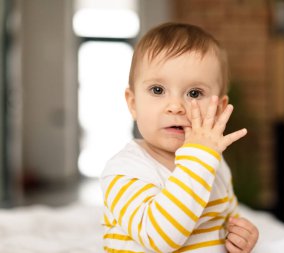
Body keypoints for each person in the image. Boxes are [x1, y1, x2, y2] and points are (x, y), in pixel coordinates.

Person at [100, 22, 259, 253]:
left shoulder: (213, 163)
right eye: (157, 90)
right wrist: (198, 162)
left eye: (194, 93)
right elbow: (160, 238)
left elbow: (227, 219)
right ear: (133, 104)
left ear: (218, 108)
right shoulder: (124, 170)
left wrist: (240, 236)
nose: (175, 106)